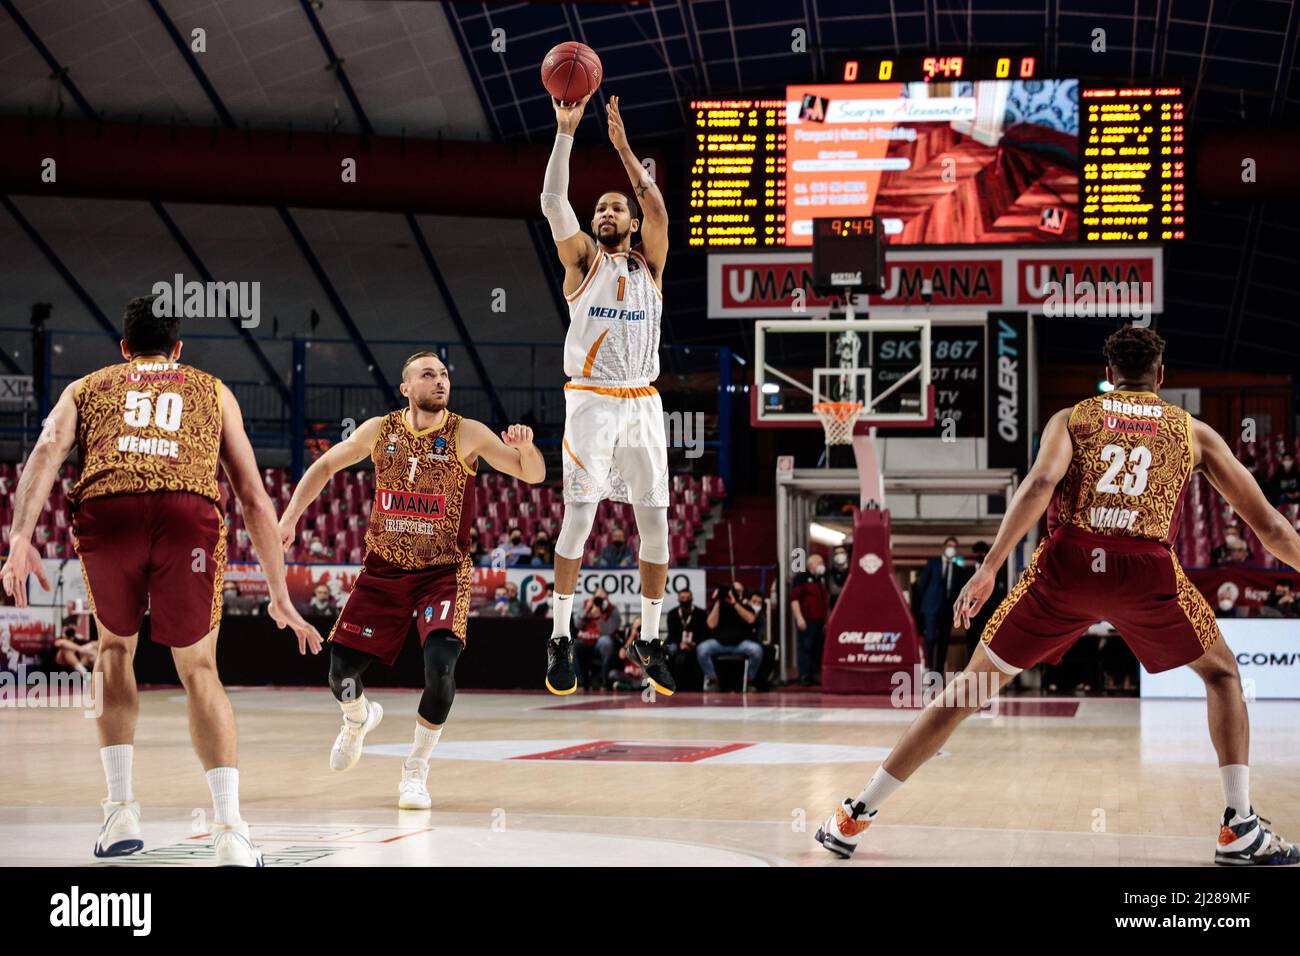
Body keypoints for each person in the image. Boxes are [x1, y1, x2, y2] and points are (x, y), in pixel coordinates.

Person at [816, 325, 1300, 866]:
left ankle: (853, 816)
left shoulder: (1075, 417)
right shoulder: (1193, 432)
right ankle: (1239, 827)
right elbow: (1271, 529)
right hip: (1145, 570)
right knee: (1222, 675)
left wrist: (990, 567)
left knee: (964, 693)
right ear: (1160, 377)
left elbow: (1041, 484)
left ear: (1110, 374)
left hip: (1066, 566)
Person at [0, 295, 320, 866]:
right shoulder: (212, 390)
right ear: (178, 350)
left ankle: (120, 812)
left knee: (113, 652)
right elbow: (252, 495)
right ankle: (230, 830)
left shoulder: (87, 386)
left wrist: (20, 538)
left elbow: (47, 449)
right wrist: (279, 595)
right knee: (199, 669)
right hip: (184, 512)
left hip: (109, 509)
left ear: (124, 349)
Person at [279, 351, 545, 810]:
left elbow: (532, 474)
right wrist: (289, 520)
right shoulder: (379, 431)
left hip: (441, 574)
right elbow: (323, 467)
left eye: (443, 375)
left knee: (440, 672)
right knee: (340, 673)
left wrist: (526, 446)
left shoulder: (467, 433)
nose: (439, 381)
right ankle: (357, 718)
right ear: (406, 388)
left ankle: (415, 770)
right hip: (383, 570)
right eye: (428, 375)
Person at [540, 91, 675, 698]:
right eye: (599, 208)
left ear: (632, 221)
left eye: (615, 207)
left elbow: (658, 208)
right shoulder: (581, 263)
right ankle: (561, 635)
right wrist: (567, 132)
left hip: (643, 402)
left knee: (657, 525)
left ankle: (650, 638)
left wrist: (621, 147)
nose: (605, 213)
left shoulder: (652, 265)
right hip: (592, 399)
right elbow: (551, 202)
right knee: (580, 517)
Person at [914, 536, 969, 675]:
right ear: (944, 547)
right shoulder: (933, 563)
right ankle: (929, 669)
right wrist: (924, 604)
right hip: (931, 607)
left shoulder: (958, 569)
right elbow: (921, 586)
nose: (951, 549)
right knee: (930, 638)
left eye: (954, 547)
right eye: (949, 545)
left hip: (947, 608)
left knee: (944, 641)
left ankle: (939, 671)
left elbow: (959, 590)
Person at [699, 582, 763, 692]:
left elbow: (751, 619)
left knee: (756, 650)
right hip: (719, 643)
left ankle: (749, 680)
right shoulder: (717, 606)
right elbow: (711, 624)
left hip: (741, 644)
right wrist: (718, 601)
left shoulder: (745, 606)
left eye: (738, 591)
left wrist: (735, 604)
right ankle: (713, 679)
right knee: (702, 649)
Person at [790, 553, 829, 686]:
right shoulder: (801, 578)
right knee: (805, 647)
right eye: (820, 562)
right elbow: (794, 600)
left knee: (817, 649)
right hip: (807, 620)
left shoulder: (821, 580)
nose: (822, 565)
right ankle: (804, 676)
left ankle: (813, 675)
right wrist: (799, 618)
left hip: (820, 621)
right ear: (811, 564)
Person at [964, 541, 1007, 660]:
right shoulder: (967, 572)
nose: (979, 555)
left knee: (988, 643)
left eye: (982, 553)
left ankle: (986, 669)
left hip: (989, 612)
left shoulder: (997, 572)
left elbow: (999, 593)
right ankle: (971, 669)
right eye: (977, 553)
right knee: (972, 642)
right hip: (972, 614)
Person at [665, 588, 707, 690]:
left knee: (702, 650)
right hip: (677, 642)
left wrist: (693, 643)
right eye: (682, 598)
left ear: (692, 599)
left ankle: (702, 683)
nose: (685, 600)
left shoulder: (701, 613)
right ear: (678, 600)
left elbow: (704, 633)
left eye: (687, 598)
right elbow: (672, 633)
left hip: (695, 643)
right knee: (671, 649)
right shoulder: (672, 614)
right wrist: (680, 644)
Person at [828, 544, 850, 608]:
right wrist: (850, 589)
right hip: (836, 607)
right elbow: (833, 590)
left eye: (841, 552)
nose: (839, 555)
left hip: (851, 605)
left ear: (846, 554)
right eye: (836, 553)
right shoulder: (831, 572)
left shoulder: (852, 571)